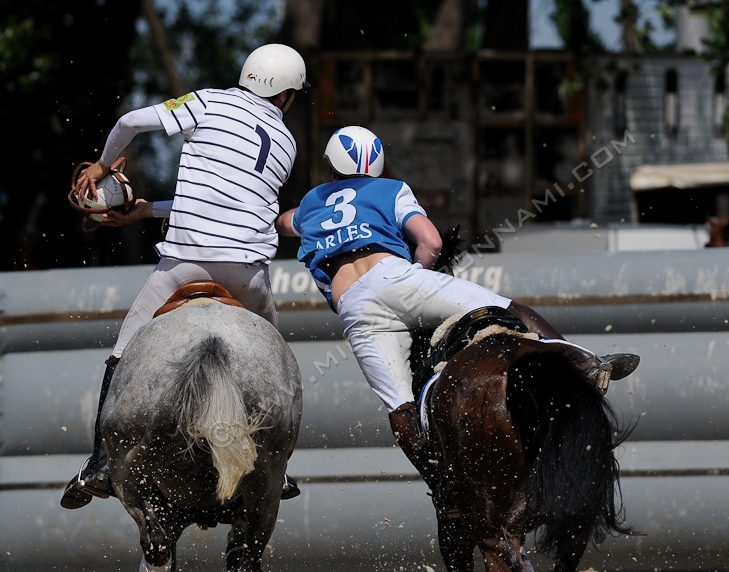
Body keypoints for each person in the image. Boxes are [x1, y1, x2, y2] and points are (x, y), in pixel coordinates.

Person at [275, 125, 640, 491]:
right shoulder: (391, 189)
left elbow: (283, 222)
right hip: (398, 279)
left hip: (356, 306)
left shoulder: (311, 203)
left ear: (331, 166)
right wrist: (418, 275)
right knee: (510, 308)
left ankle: (445, 489)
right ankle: (587, 364)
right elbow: (432, 242)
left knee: (400, 409)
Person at [61, 44, 309, 510]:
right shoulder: (288, 145)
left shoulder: (210, 101)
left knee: (123, 349)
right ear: (286, 96)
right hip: (247, 274)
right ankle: (281, 466)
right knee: (278, 363)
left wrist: (100, 164)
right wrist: (146, 211)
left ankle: (98, 461)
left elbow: (131, 122)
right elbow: (233, 205)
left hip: (184, 263)